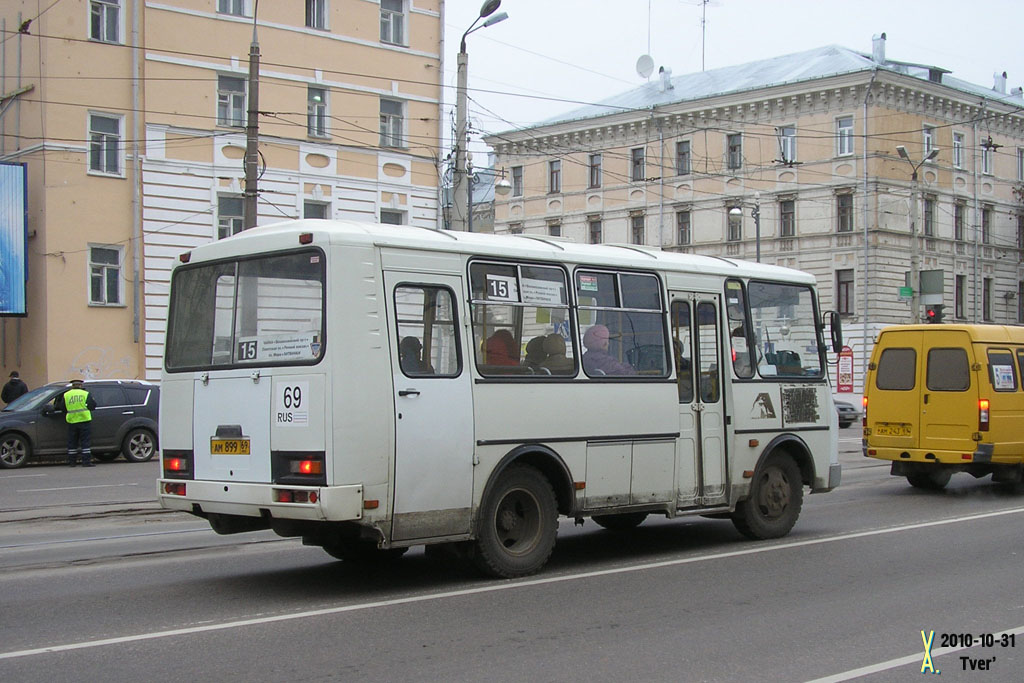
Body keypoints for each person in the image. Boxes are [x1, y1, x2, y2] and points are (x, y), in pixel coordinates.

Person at [54, 379, 97, 467]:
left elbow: (62, 408)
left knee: (72, 442)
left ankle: (72, 462)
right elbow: (92, 406)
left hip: (72, 421)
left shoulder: (66, 395)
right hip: (84, 420)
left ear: (72, 386)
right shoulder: (85, 394)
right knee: (85, 442)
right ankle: (86, 462)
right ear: (81, 386)